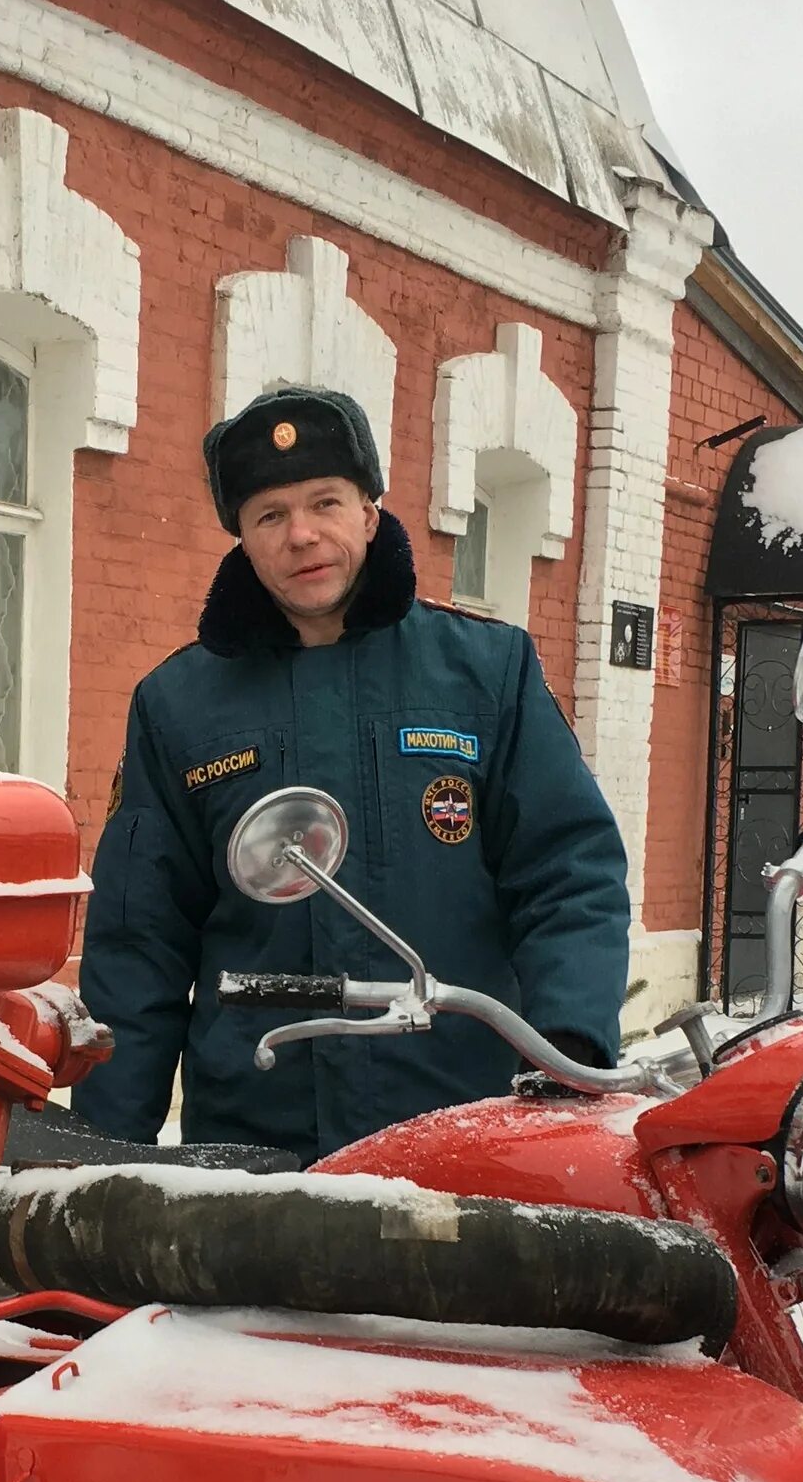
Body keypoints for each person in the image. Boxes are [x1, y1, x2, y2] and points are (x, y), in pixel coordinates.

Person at [73, 387, 631, 1158]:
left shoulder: (484, 673)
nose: (301, 535)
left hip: (462, 1129)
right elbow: (140, 942)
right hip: (258, 1150)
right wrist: (105, 1151)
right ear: (242, 537)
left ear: (368, 512)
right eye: (270, 515)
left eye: (324, 502)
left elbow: (568, 874)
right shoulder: (180, 706)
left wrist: (568, 1060)